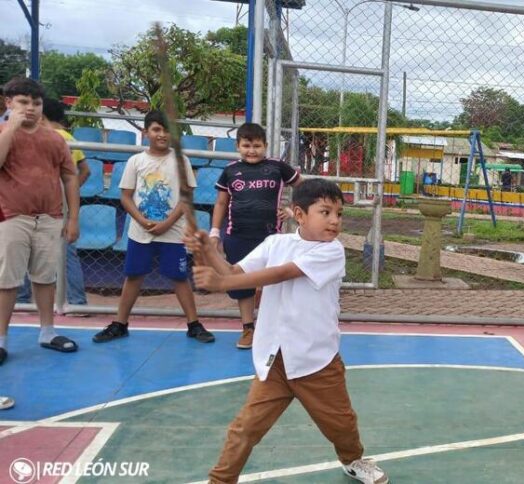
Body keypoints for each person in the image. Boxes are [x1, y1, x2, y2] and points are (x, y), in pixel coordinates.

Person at [185, 179, 388, 484]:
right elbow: (232, 272)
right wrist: (207, 250)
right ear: (299, 214)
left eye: (339, 213)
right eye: (325, 212)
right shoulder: (275, 244)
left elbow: (280, 274)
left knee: (341, 425)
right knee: (245, 428)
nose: (334, 220)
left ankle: (353, 460)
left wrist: (220, 283)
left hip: (316, 361)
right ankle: (220, 479)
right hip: (275, 359)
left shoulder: (332, 252)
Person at [92, 110, 214, 344]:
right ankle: (120, 323)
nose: (162, 134)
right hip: (141, 232)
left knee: (179, 277)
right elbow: (126, 197)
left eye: (167, 130)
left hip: (174, 232)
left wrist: (167, 223)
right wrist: (142, 220)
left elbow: (187, 197)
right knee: (134, 275)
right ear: (145, 132)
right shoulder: (135, 161)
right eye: (157, 129)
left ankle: (194, 324)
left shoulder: (181, 161)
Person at [0, 77, 81, 365]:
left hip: (49, 217)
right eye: (23, 102)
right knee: (7, 280)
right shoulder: (3, 132)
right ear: (9, 103)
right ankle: (1, 339)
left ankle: (47, 331)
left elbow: (70, 176)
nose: (30, 108)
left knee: (45, 278)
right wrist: (10, 127)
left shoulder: (55, 139)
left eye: (35, 103)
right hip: (12, 216)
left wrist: (73, 219)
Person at [211, 123, 300, 350]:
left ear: (266, 146)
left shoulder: (277, 167)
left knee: (274, 284)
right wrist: (214, 232)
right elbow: (221, 202)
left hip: (270, 237)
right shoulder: (230, 170)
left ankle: (276, 329)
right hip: (238, 236)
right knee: (243, 285)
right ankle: (248, 328)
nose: (252, 150)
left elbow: (304, 188)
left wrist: (291, 209)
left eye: (257, 146)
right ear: (238, 146)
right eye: (247, 145)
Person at [17, 98, 90, 307]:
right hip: (61, 205)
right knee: (67, 255)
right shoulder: (70, 138)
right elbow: (85, 170)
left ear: (43, 115)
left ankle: (22, 299)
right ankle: (77, 301)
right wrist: (70, 191)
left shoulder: (43, 137)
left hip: (37, 203)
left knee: (25, 249)